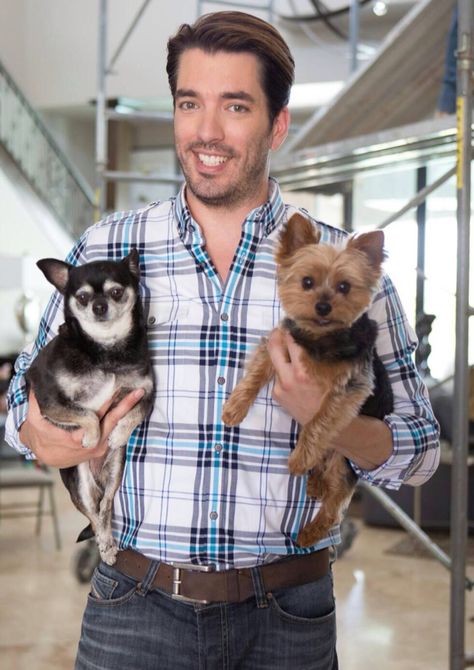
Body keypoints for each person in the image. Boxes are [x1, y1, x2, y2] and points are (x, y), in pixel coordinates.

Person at [6, 11, 440, 670]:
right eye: (189, 103)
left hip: (288, 620)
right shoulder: (108, 249)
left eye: (235, 106)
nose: (206, 132)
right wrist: (40, 432)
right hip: (133, 608)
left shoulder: (346, 274)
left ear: (278, 123)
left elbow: (421, 450)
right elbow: (18, 408)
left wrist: (328, 421)